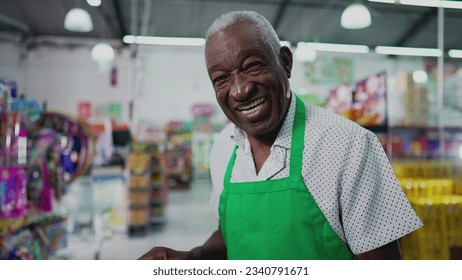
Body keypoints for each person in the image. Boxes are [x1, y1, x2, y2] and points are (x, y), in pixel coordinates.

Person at [139, 10, 422, 260]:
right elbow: (231, 233)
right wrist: (193, 258)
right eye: (221, 78)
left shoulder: (349, 145)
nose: (240, 90)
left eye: (252, 66)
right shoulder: (223, 147)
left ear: (285, 61)